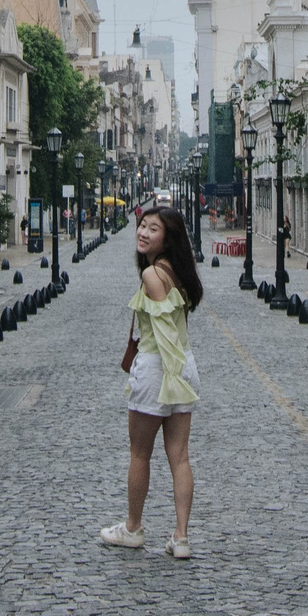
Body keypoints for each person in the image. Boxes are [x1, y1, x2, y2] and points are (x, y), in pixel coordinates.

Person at [100, 207, 203, 558]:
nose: (142, 232)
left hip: (160, 368)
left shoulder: (152, 275)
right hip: (184, 366)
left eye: (152, 229)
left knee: (139, 454)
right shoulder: (180, 272)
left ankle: (133, 527)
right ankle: (181, 536)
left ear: (167, 238)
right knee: (180, 457)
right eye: (142, 226)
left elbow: (164, 333)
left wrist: (170, 377)